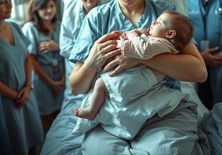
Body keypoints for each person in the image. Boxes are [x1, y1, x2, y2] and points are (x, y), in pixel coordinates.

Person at [69, 0, 207, 155]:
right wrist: (91, 61)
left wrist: (140, 57)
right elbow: (76, 87)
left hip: (161, 112)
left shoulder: (166, 16)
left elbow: (199, 72)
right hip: (111, 113)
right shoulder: (97, 19)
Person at [72, 11, 193, 139]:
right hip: (141, 76)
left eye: (158, 22)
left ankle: (91, 111)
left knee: (100, 84)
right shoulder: (97, 16)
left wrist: (132, 34)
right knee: (102, 86)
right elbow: (75, 87)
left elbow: (143, 50)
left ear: (170, 34)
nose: (153, 22)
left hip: (143, 77)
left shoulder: (162, 43)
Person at [0, 0, 44, 155]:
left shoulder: (15, 27)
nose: (10, 6)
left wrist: (27, 87)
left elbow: (27, 58)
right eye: (2, 2)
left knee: (34, 142)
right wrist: (15, 95)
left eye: (10, 0)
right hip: (7, 102)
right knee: (16, 145)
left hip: (26, 94)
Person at [22, 0, 65, 133]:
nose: (49, 10)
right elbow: (30, 59)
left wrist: (62, 80)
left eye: (52, 6)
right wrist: (51, 83)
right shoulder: (30, 28)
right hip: (43, 79)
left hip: (61, 76)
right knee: (46, 116)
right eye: (44, 7)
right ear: (36, 9)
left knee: (60, 115)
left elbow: (68, 52)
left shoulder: (59, 25)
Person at [59, 0, 103, 90]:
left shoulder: (109, 8)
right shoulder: (70, 14)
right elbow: (65, 47)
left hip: (103, 63)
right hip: (78, 64)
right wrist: (89, 59)